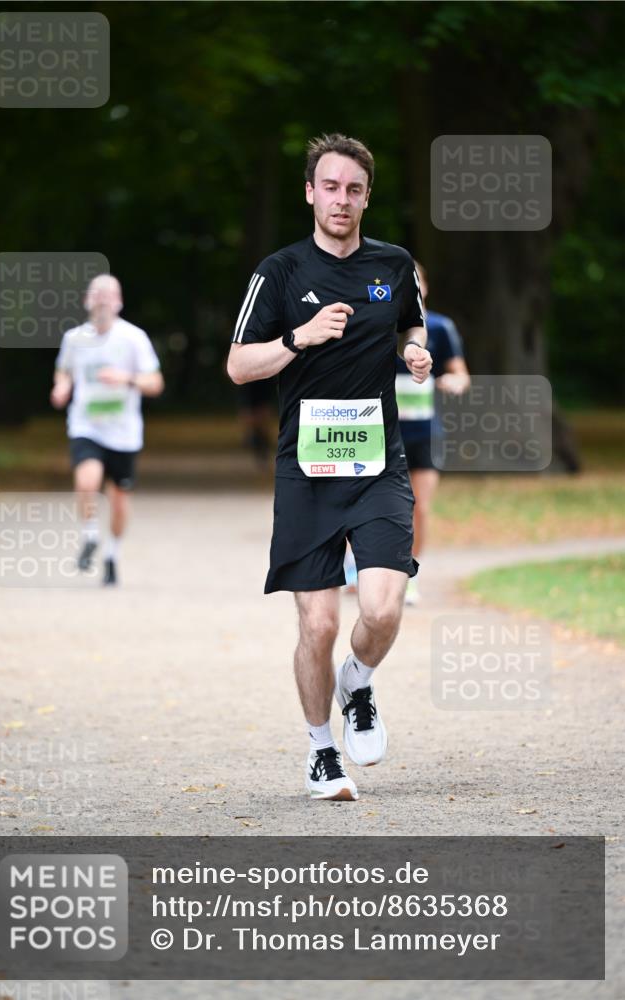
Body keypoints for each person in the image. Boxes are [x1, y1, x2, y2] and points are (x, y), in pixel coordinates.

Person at [227, 133, 431, 801]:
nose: (342, 199)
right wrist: (299, 337)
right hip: (306, 470)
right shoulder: (280, 272)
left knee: (383, 609)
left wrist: (415, 351)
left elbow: (411, 324)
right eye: (331, 187)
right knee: (317, 624)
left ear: (367, 197)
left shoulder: (393, 265)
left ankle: (358, 682)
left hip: (377, 464)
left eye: (354, 190)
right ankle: (321, 752)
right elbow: (238, 365)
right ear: (310, 192)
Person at [50, 274, 164, 586]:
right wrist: (62, 387)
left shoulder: (134, 338)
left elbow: (155, 383)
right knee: (86, 481)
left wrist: (126, 379)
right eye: (97, 294)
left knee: (118, 500)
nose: (102, 300)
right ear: (87, 300)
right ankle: (90, 536)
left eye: (108, 295)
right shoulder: (74, 338)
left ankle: (112, 554)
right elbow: (63, 371)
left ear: (119, 302)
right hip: (86, 424)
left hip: (123, 432)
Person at [396, 264, 470, 605]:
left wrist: (454, 381)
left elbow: (461, 374)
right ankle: (358, 565)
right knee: (366, 503)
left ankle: (409, 575)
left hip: (425, 431)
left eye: (416, 283)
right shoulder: (378, 325)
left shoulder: (440, 327)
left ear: (425, 287)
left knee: (419, 507)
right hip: (380, 431)